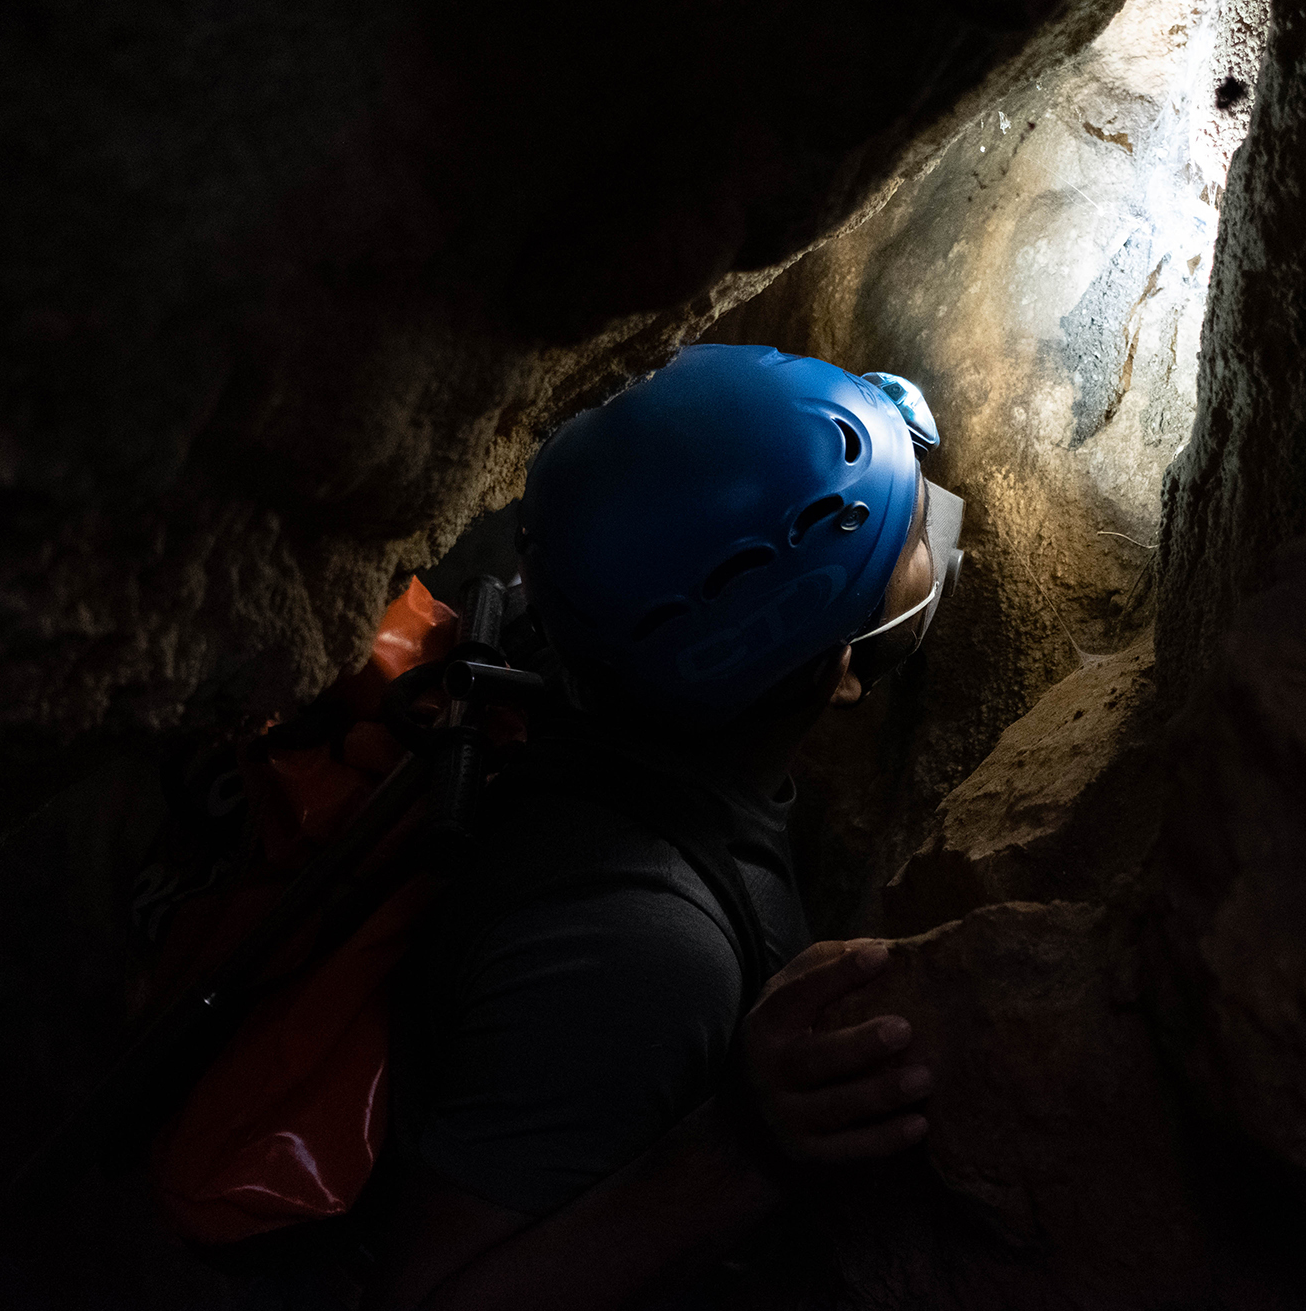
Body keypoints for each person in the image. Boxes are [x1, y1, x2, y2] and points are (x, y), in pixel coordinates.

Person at [364, 344, 967, 1310]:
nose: (938, 527)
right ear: (838, 666)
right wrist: (742, 1148)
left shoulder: (573, 636)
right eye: (911, 540)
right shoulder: (641, 953)